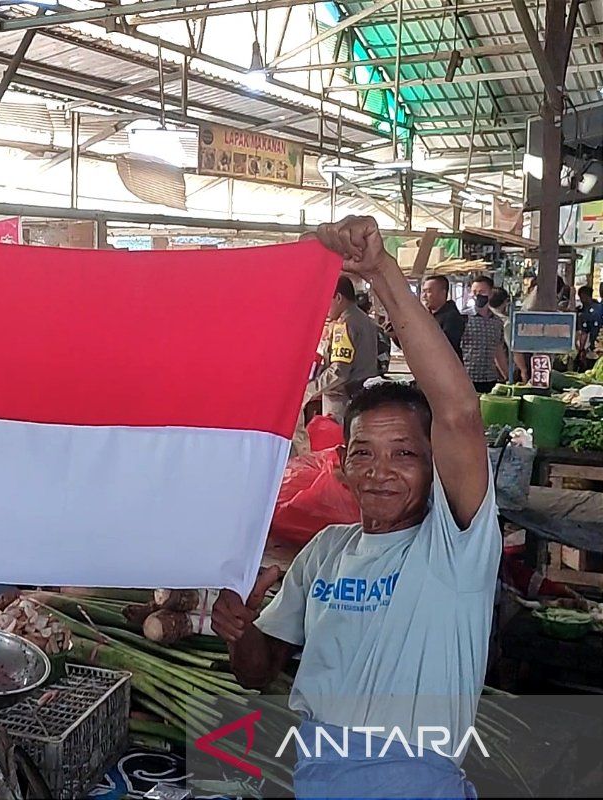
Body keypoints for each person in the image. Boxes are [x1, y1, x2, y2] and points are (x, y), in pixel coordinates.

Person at [212, 216, 500, 799]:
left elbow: (460, 413)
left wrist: (381, 273)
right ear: (340, 463)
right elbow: (258, 671)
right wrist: (239, 629)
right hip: (315, 777)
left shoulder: (455, 547)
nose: (380, 471)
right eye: (364, 453)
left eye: (404, 454)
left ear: (435, 465)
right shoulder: (325, 553)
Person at [304, 276, 380, 424]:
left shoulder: (344, 325)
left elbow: (338, 372)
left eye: (325, 300)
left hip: (341, 401)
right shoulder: (364, 319)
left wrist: (309, 390)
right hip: (361, 395)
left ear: (338, 297)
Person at [462, 275, 507, 393]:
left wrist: (507, 376)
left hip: (489, 379)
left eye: (482, 292)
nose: (477, 295)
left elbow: (498, 350)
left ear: (490, 294)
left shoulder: (497, 322)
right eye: (474, 292)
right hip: (466, 378)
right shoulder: (463, 318)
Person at [420, 274, 465, 357]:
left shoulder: (452, 317)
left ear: (442, 293)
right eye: (423, 291)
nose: (424, 296)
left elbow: (443, 346)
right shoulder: (429, 315)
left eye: (429, 291)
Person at [488, 287, 517, 383]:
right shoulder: (505, 322)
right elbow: (513, 348)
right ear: (505, 302)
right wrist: (523, 371)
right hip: (501, 370)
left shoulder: (484, 317)